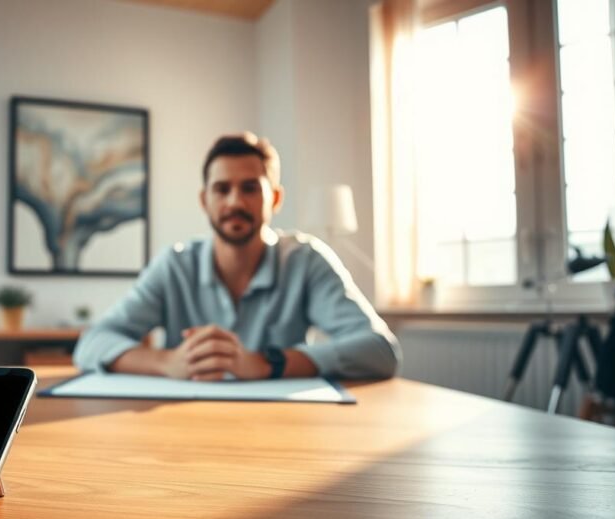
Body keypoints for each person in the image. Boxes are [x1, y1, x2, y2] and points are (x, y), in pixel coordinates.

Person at [73, 132, 400, 381]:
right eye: (222, 189)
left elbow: (380, 350)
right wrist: (168, 362)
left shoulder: (306, 261)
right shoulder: (174, 265)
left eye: (250, 188)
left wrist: (268, 363)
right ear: (205, 200)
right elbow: (91, 344)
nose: (235, 202)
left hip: (283, 429)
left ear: (275, 198)